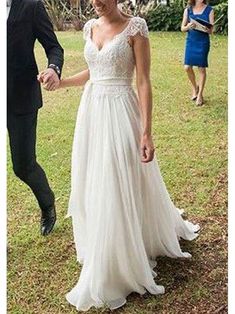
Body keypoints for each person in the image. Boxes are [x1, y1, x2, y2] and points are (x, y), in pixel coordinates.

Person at [43, 0, 200, 310]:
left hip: (121, 111)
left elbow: (142, 80)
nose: (96, 3)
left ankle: (120, 254)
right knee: (94, 177)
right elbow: (95, 69)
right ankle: (102, 240)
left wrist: (146, 131)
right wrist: (61, 83)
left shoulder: (136, 28)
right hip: (92, 112)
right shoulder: (90, 27)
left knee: (118, 177)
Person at [7, 0, 64, 236]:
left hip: (20, 97)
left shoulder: (31, 5)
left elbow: (54, 47)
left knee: (23, 165)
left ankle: (47, 202)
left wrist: (53, 68)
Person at [181, 0, 214, 106]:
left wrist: (207, 29)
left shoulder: (209, 10)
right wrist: (188, 26)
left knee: (201, 68)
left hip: (203, 42)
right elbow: (182, 28)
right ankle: (195, 88)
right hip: (191, 41)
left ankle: (200, 95)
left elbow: (211, 30)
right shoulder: (188, 10)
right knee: (187, 67)